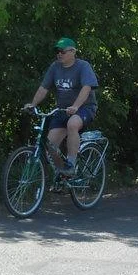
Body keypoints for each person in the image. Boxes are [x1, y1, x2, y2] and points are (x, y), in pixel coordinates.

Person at [24, 37, 98, 176]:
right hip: (63, 110)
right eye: (57, 51)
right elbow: (43, 88)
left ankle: (71, 164)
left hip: (84, 108)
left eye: (62, 51)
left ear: (73, 52)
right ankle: (62, 174)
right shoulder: (55, 67)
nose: (59, 54)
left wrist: (76, 106)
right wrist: (32, 105)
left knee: (72, 124)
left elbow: (87, 88)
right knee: (50, 147)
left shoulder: (83, 66)